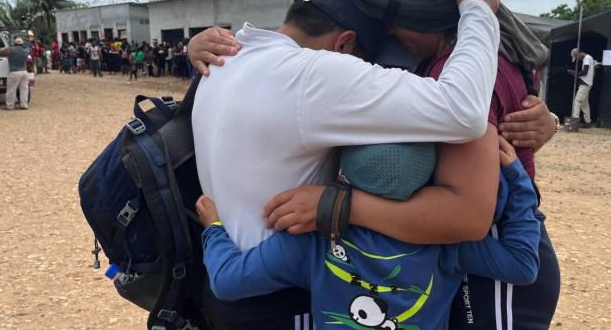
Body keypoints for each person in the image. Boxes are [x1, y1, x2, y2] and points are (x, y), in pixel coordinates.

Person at [192, 0, 502, 329]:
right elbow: (463, 110)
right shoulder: (316, 73)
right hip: (281, 301)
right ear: (344, 44)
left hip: (228, 278)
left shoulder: (228, 57)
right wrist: (479, 10)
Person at [195, 137, 540, 330]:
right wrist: (515, 177)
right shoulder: (443, 242)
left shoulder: (314, 240)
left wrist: (214, 229)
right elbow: (523, 265)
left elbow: (228, 281)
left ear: (342, 171)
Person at [0, 37, 30, 110]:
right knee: (24, 89)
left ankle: (10, 106)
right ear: (22, 44)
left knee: (11, 90)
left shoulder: (10, 50)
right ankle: (24, 105)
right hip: (24, 72)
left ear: (14, 43)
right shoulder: (25, 51)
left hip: (14, 72)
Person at [569, 47, 594, 127]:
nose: (577, 59)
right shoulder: (589, 58)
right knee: (584, 104)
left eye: (576, 57)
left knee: (577, 102)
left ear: (578, 53)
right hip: (587, 83)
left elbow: (585, 72)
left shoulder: (586, 58)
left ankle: (574, 121)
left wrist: (575, 73)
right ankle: (588, 122)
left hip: (585, 83)